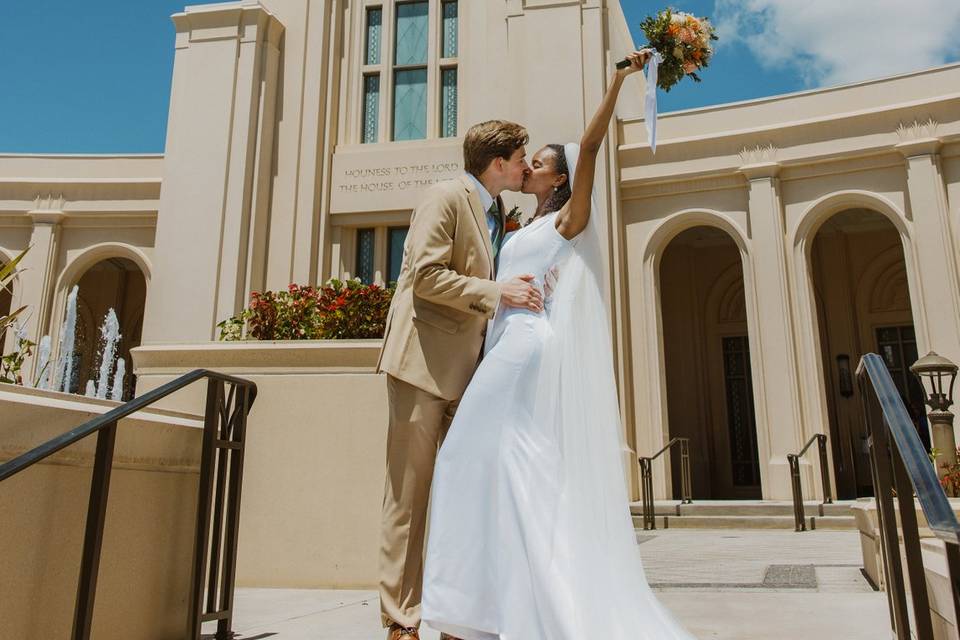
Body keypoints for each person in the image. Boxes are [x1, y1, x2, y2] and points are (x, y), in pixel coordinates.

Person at [421, 50, 696, 639]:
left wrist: (618, 81)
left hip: (525, 348)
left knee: (464, 454)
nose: (528, 167)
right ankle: (495, 605)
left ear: (560, 176)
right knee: (507, 465)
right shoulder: (520, 223)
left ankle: (484, 608)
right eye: (526, 160)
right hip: (505, 343)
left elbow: (592, 147)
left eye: (538, 162)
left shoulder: (571, 216)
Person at [376, 119, 546, 640]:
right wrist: (499, 293)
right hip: (421, 366)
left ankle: (452, 615)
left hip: (469, 376)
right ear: (498, 163)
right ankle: (402, 621)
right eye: (521, 159)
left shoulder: (496, 212)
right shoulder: (445, 196)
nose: (526, 167)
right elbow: (425, 277)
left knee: (461, 497)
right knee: (409, 499)